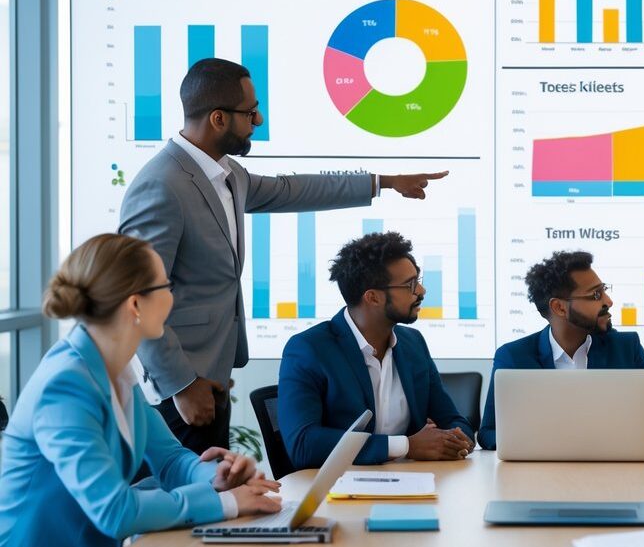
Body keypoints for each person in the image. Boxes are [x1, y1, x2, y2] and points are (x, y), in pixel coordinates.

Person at [119, 57, 449, 453]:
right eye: (250, 112)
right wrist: (182, 385)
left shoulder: (227, 175)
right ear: (218, 119)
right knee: (184, 490)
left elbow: (292, 190)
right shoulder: (162, 185)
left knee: (210, 487)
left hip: (213, 378)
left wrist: (384, 182)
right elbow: (134, 297)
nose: (258, 120)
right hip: (182, 391)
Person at [0, 234, 281, 547]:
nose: (172, 298)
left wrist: (217, 478)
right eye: (167, 287)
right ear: (135, 304)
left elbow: (171, 460)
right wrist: (226, 503)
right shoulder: (65, 386)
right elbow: (114, 511)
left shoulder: (115, 369)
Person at [278, 232, 474, 468]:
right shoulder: (309, 349)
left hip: (410, 481)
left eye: (418, 280)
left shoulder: (413, 343)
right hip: (341, 485)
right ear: (372, 298)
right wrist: (406, 445)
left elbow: (452, 420)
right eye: (410, 285)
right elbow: (303, 444)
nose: (421, 291)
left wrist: (456, 437)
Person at [478, 250, 644, 449]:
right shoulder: (513, 357)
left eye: (604, 290)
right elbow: (489, 432)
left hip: (612, 464)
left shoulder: (626, 347)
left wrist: (627, 440)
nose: (608, 301)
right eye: (596, 294)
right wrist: (541, 443)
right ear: (559, 308)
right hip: (541, 466)